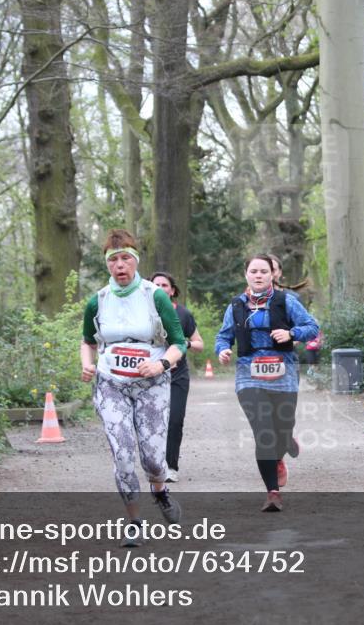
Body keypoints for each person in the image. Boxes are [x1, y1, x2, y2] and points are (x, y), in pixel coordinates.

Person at [81, 229, 187, 547]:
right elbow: (88, 341)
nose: (120, 265)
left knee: (155, 460)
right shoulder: (97, 301)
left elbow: (178, 342)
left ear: (136, 261)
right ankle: (134, 522)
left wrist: (161, 364)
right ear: (107, 265)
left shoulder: (155, 296)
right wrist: (87, 363)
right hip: (111, 384)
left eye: (126, 258)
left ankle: (160, 491)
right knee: (123, 454)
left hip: (152, 384)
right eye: (113, 260)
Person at [215, 254, 319, 512]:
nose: (258, 275)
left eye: (264, 271)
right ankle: (272, 492)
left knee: (282, 429)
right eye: (253, 271)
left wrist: (291, 333)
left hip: (283, 372)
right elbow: (224, 336)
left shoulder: (287, 301)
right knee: (264, 433)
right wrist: (223, 350)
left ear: (273, 274)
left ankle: (283, 445)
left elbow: (312, 327)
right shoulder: (236, 305)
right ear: (246, 275)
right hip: (248, 374)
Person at [149, 272, 204, 483]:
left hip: (176, 376)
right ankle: (154, 463)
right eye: (156, 285)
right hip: (149, 377)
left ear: (172, 290)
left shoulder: (183, 314)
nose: (161, 288)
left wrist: (185, 344)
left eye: (165, 285)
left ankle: (171, 467)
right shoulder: (141, 314)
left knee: (174, 421)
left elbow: (199, 344)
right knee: (152, 422)